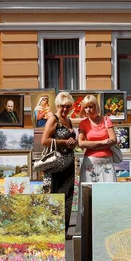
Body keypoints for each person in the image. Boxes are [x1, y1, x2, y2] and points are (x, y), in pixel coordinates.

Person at [41, 92, 77, 235]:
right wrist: (64, 142)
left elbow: (72, 143)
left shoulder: (69, 121)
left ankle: (63, 232)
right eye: (62, 106)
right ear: (57, 106)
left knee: (67, 199)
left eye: (68, 107)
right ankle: (52, 233)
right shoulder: (53, 120)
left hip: (68, 167)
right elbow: (44, 141)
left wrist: (74, 143)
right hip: (55, 168)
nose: (64, 109)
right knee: (54, 197)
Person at [78, 94, 117, 183]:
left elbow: (113, 140)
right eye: (85, 107)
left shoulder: (106, 120)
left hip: (107, 161)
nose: (88, 110)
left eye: (90, 107)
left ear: (96, 106)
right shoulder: (83, 123)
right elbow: (81, 143)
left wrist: (92, 145)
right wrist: (103, 142)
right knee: (89, 191)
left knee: (108, 190)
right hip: (90, 162)